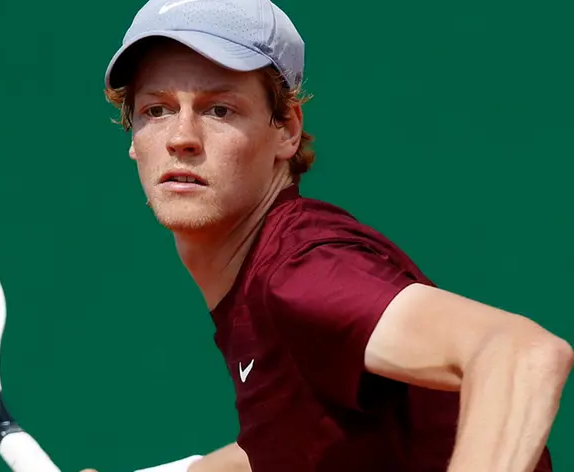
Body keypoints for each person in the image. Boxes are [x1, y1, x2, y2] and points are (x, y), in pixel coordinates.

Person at [87, 0, 574, 471]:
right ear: (133, 136)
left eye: (219, 110)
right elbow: (296, 438)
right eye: (156, 110)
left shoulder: (301, 274)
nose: (181, 137)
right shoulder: (259, 280)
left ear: (287, 130)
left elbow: (520, 351)